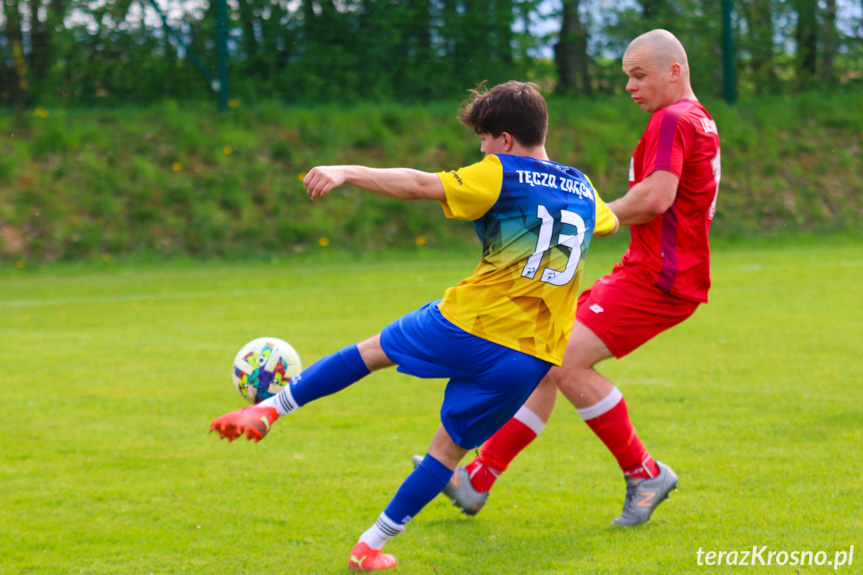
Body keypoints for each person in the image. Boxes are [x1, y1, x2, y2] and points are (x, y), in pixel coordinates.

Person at [209, 80, 618, 571]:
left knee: (371, 352)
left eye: (485, 139)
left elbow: (421, 184)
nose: (481, 149)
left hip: (469, 322)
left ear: (505, 139)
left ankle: (271, 410)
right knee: (447, 452)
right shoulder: (582, 187)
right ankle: (370, 546)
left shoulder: (499, 172)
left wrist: (346, 171)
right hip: (529, 357)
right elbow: (610, 220)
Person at [435, 29, 721, 527]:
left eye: (639, 75)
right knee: (547, 360)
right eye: (626, 76)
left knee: (563, 363)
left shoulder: (672, 119)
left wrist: (586, 214)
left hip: (660, 277)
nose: (630, 86)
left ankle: (644, 472)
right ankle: (478, 478)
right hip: (653, 269)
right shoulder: (695, 118)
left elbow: (655, 198)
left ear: (675, 71)